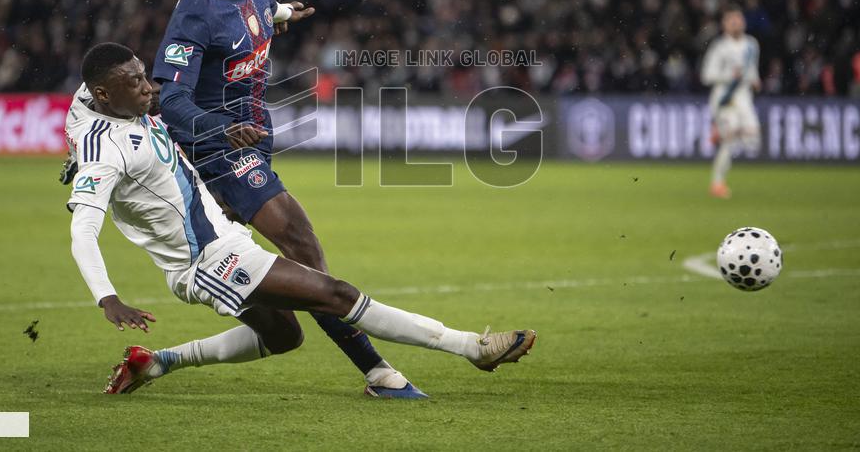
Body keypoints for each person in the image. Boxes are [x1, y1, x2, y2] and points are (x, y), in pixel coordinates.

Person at [65, 43, 536, 395]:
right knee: (336, 295)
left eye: (145, 76)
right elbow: (83, 230)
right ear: (105, 95)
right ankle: (473, 348)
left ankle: (157, 363)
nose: (150, 88)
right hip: (207, 261)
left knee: (285, 336)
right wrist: (108, 299)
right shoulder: (104, 150)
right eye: (135, 84)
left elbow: (82, 113)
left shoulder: (105, 101)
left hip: (222, 237)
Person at [151, 0, 427, 398]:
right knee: (302, 245)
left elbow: (256, 16)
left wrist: (280, 14)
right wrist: (219, 129)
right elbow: (169, 98)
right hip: (216, 150)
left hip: (255, 134)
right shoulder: (197, 12)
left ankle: (171, 356)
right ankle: (376, 371)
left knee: (282, 326)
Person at [701, 9, 761, 198]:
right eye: (731, 20)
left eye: (738, 19)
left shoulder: (752, 45)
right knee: (730, 139)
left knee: (753, 138)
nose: (736, 22)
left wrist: (754, 80)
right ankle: (717, 184)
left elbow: (751, 70)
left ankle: (719, 131)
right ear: (724, 24)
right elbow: (707, 76)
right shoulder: (720, 47)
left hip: (743, 97)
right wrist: (729, 76)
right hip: (724, 97)